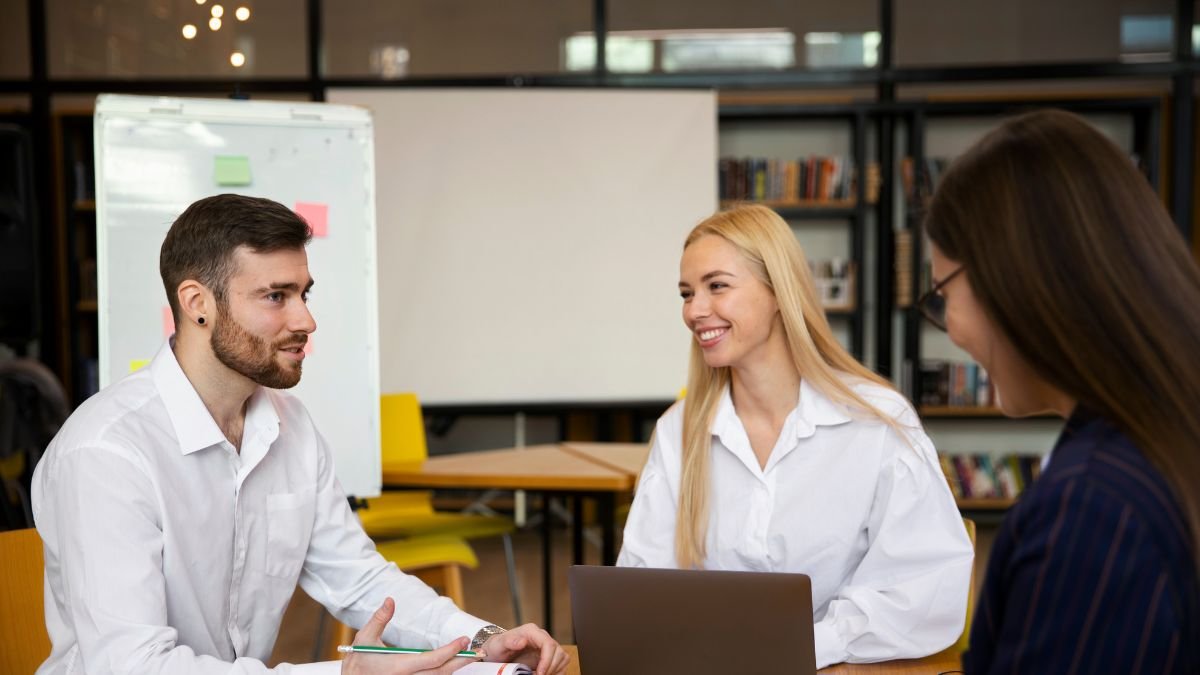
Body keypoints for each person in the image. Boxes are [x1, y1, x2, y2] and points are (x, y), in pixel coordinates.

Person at [32, 194, 569, 675]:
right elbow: (132, 666)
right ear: (197, 304)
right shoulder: (105, 454)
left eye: (304, 293)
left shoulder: (292, 425)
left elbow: (357, 578)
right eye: (276, 296)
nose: (307, 320)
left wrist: (479, 640)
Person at [617, 204, 974, 669]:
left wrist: (807, 647)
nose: (694, 311)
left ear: (778, 291)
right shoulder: (678, 431)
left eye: (717, 286)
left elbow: (925, 587)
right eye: (687, 293)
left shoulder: (877, 422)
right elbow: (642, 583)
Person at [922, 108, 1200, 674]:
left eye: (943, 294)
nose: (947, 328)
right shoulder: (1162, 438)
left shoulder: (1091, 510)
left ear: (1014, 272)